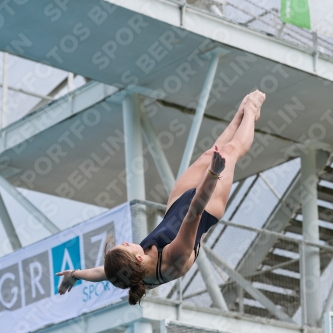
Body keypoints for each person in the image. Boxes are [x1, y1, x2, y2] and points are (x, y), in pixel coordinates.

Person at [57, 90, 266, 305]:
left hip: (176, 206)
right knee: (229, 151)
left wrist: (74, 275)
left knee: (208, 155)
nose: (128, 241)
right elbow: (195, 210)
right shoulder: (174, 260)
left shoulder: (130, 271)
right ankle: (250, 111)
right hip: (205, 207)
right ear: (138, 258)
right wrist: (213, 173)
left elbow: (102, 272)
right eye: (126, 245)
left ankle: (241, 114)